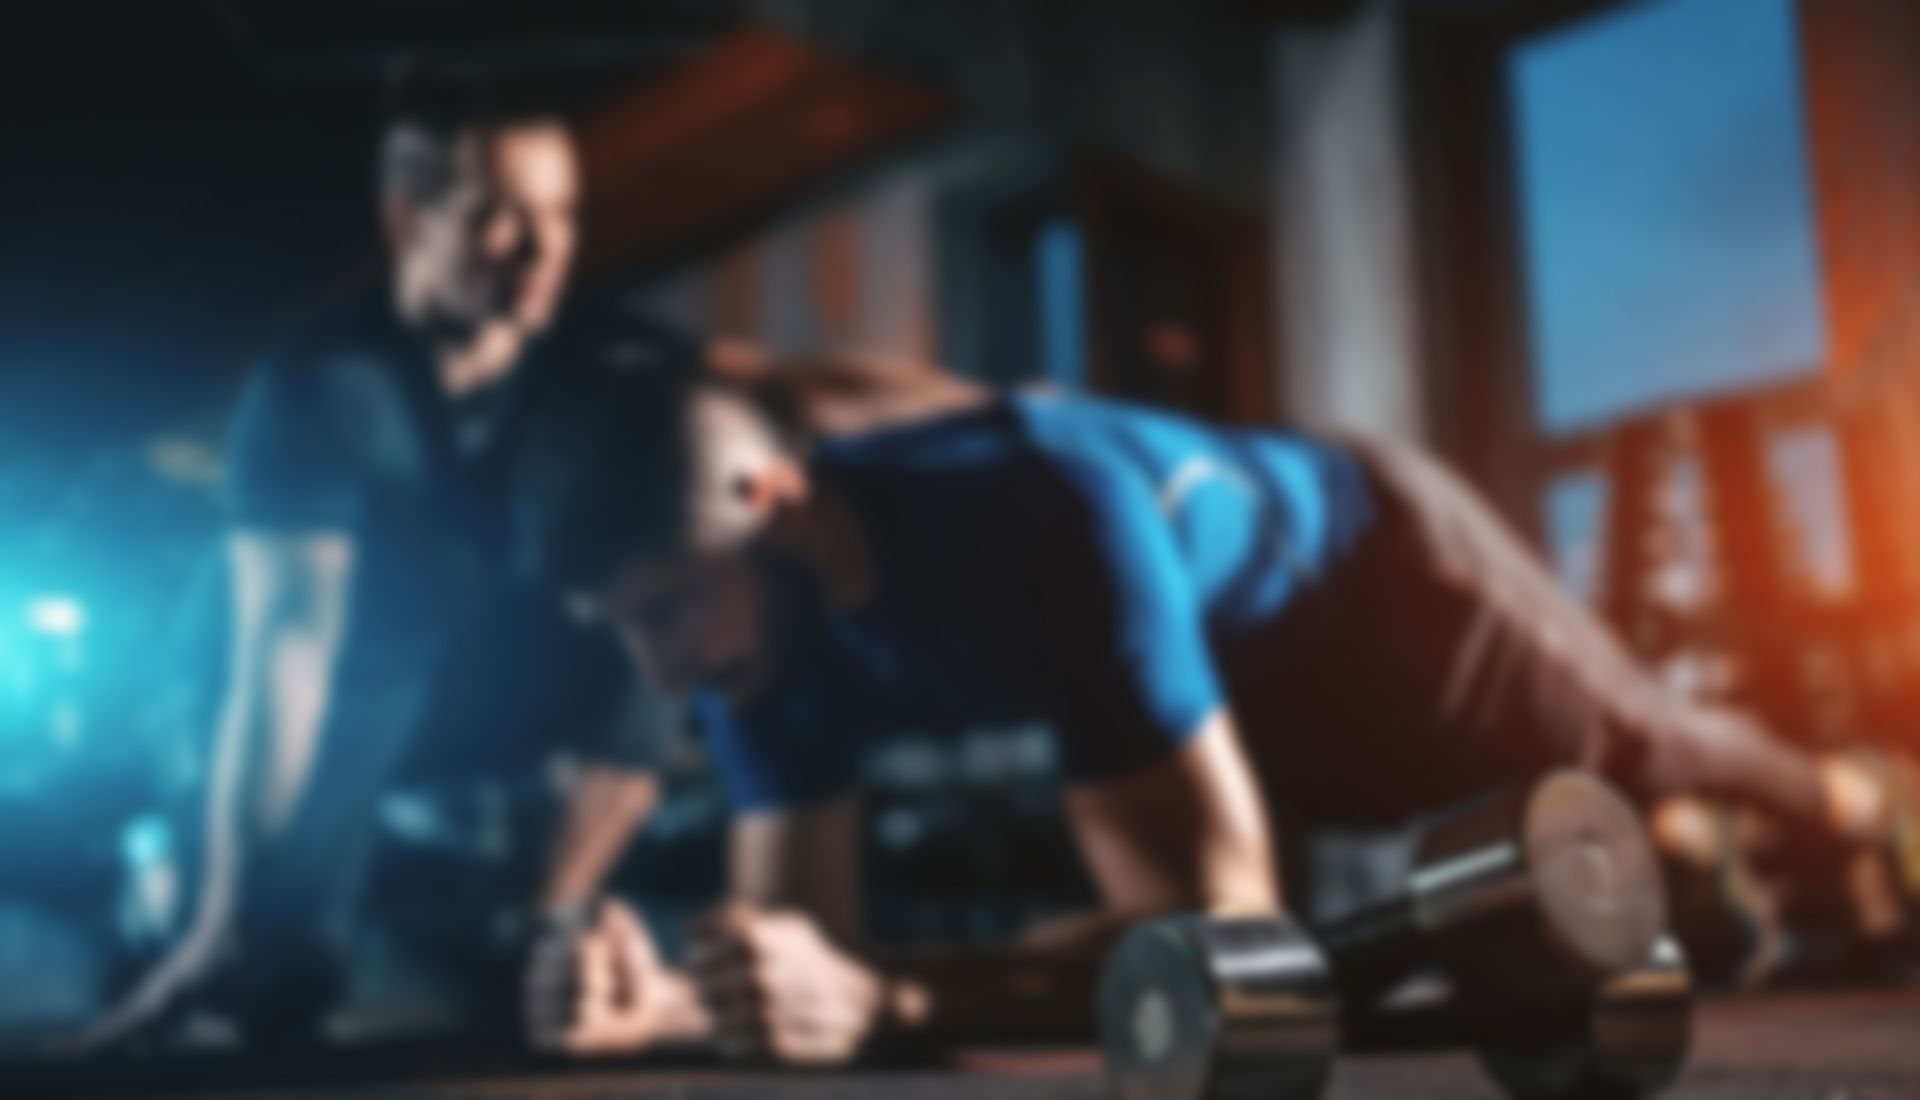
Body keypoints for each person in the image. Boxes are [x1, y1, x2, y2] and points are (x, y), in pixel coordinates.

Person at [508, 332, 1911, 1064]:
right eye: (620, 631)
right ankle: (1700, 868)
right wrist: (683, 1001)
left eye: (662, 612)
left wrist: (891, 1003)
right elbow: (804, 950)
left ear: (777, 509)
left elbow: (1218, 941)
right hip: (1245, 695)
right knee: (1622, 924)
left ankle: (1864, 800)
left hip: (1389, 582)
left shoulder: (1042, 512)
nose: (661, 673)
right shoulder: (752, 635)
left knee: (1650, 744)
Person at [77, 71, 668, 1049]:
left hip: (453, 664)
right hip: (305, 680)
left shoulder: (593, 358)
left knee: (643, 634)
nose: (542, 247)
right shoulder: (319, 384)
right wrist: (220, 916)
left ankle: (529, 929)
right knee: (275, 985)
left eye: (562, 212)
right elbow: (288, 659)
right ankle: (163, 887)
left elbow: (777, 391)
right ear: (408, 221)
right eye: (497, 217)